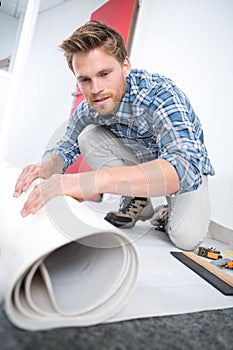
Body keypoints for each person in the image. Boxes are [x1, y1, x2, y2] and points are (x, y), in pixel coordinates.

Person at [13, 21, 215, 251]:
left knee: (186, 239)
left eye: (105, 74)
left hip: (184, 171)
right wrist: (46, 165)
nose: (96, 89)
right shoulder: (89, 107)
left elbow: (181, 167)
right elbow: (65, 146)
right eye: (85, 80)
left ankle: (167, 212)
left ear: (125, 66)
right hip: (141, 163)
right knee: (87, 135)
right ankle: (136, 198)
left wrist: (84, 182)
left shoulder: (160, 95)